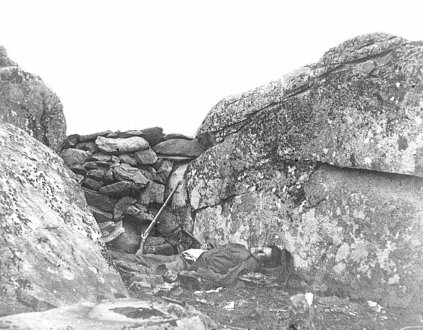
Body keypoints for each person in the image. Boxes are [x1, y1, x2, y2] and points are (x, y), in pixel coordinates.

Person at [137, 242, 293, 288]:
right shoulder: (242, 248)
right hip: (194, 255)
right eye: (261, 247)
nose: (257, 249)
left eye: (262, 254)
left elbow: (227, 279)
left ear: (263, 261)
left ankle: (116, 265)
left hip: (193, 263)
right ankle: (114, 259)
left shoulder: (249, 262)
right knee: (147, 259)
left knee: (150, 267)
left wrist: (203, 272)